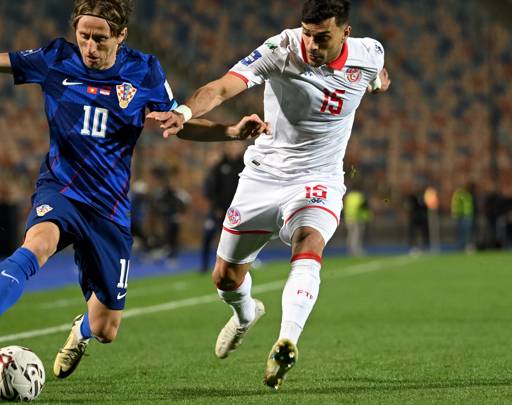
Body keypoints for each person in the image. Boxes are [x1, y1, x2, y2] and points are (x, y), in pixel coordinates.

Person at [0, 0, 264, 379]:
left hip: (109, 207)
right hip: (61, 188)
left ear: (121, 36)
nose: (90, 48)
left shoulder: (144, 72)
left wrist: (228, 131)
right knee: (37, 245)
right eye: (83, 37)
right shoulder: (55, 58)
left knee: (106, 328)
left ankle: (80, 331)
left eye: (100, 39)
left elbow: (176, 121)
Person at [148, 0, 390, 390]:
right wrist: (185, 113)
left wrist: (378, 81)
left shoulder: (369, 52)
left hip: (319, 177)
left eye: (321, 37)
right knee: (226, 278)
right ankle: (245, 315)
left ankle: (287, 340)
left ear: (345, 33)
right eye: (307, 34)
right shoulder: (281, 49)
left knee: (309, 241)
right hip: (264, 176)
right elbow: (222, 86)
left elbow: (378, 72)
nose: (311, 44)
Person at [200, 143, 245, 273]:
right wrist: (216, 207)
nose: (234, 148)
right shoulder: (220, 166)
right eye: (232, 146)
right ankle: (205, 265)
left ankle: (238, 265)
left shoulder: (245, 165)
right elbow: (213, 189)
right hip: (219, 210)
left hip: (238, 210)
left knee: (236, 239)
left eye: (236, 146)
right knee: (208, 236)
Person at [343, 188, 369, 256]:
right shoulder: (359, 196)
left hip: (348, 218)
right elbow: (363, 206)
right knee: (356, 235)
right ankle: (355, 250)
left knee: (351, 235)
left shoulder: (348, 196)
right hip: (357, 217)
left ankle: (351, 250)